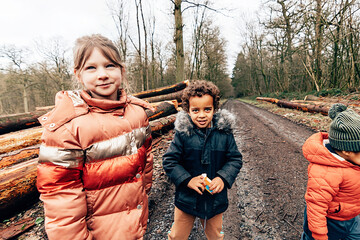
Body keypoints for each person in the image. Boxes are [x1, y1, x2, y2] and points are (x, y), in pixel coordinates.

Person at [36, 34, 154, 240]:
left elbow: (146, 161)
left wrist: (143, 195)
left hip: (135, 222)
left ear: (122, 70)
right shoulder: (67, 126)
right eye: (91, 68)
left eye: (110, 66)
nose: (102, 74)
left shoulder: (138, 113)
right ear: (78, 74)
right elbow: (60, 198)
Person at [162, 80, 243, 240]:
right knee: (177, 235)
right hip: (186, 199)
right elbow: (169, 161)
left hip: (214, 200)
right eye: (195, 110)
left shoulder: (224, 133)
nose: (201, 115)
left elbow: (235, 159)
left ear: (214, 109)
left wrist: (222, 178)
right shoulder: (183, 133)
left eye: (207, 109)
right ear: (188, 110)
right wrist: (187, 180)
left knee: (215, 236)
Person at [301, 103, 360, 240]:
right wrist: (319, 236)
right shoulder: (325, 172)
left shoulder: (355, 160)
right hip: (329, 221)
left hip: (351, 217)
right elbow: (316, 208)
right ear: (347, 151)